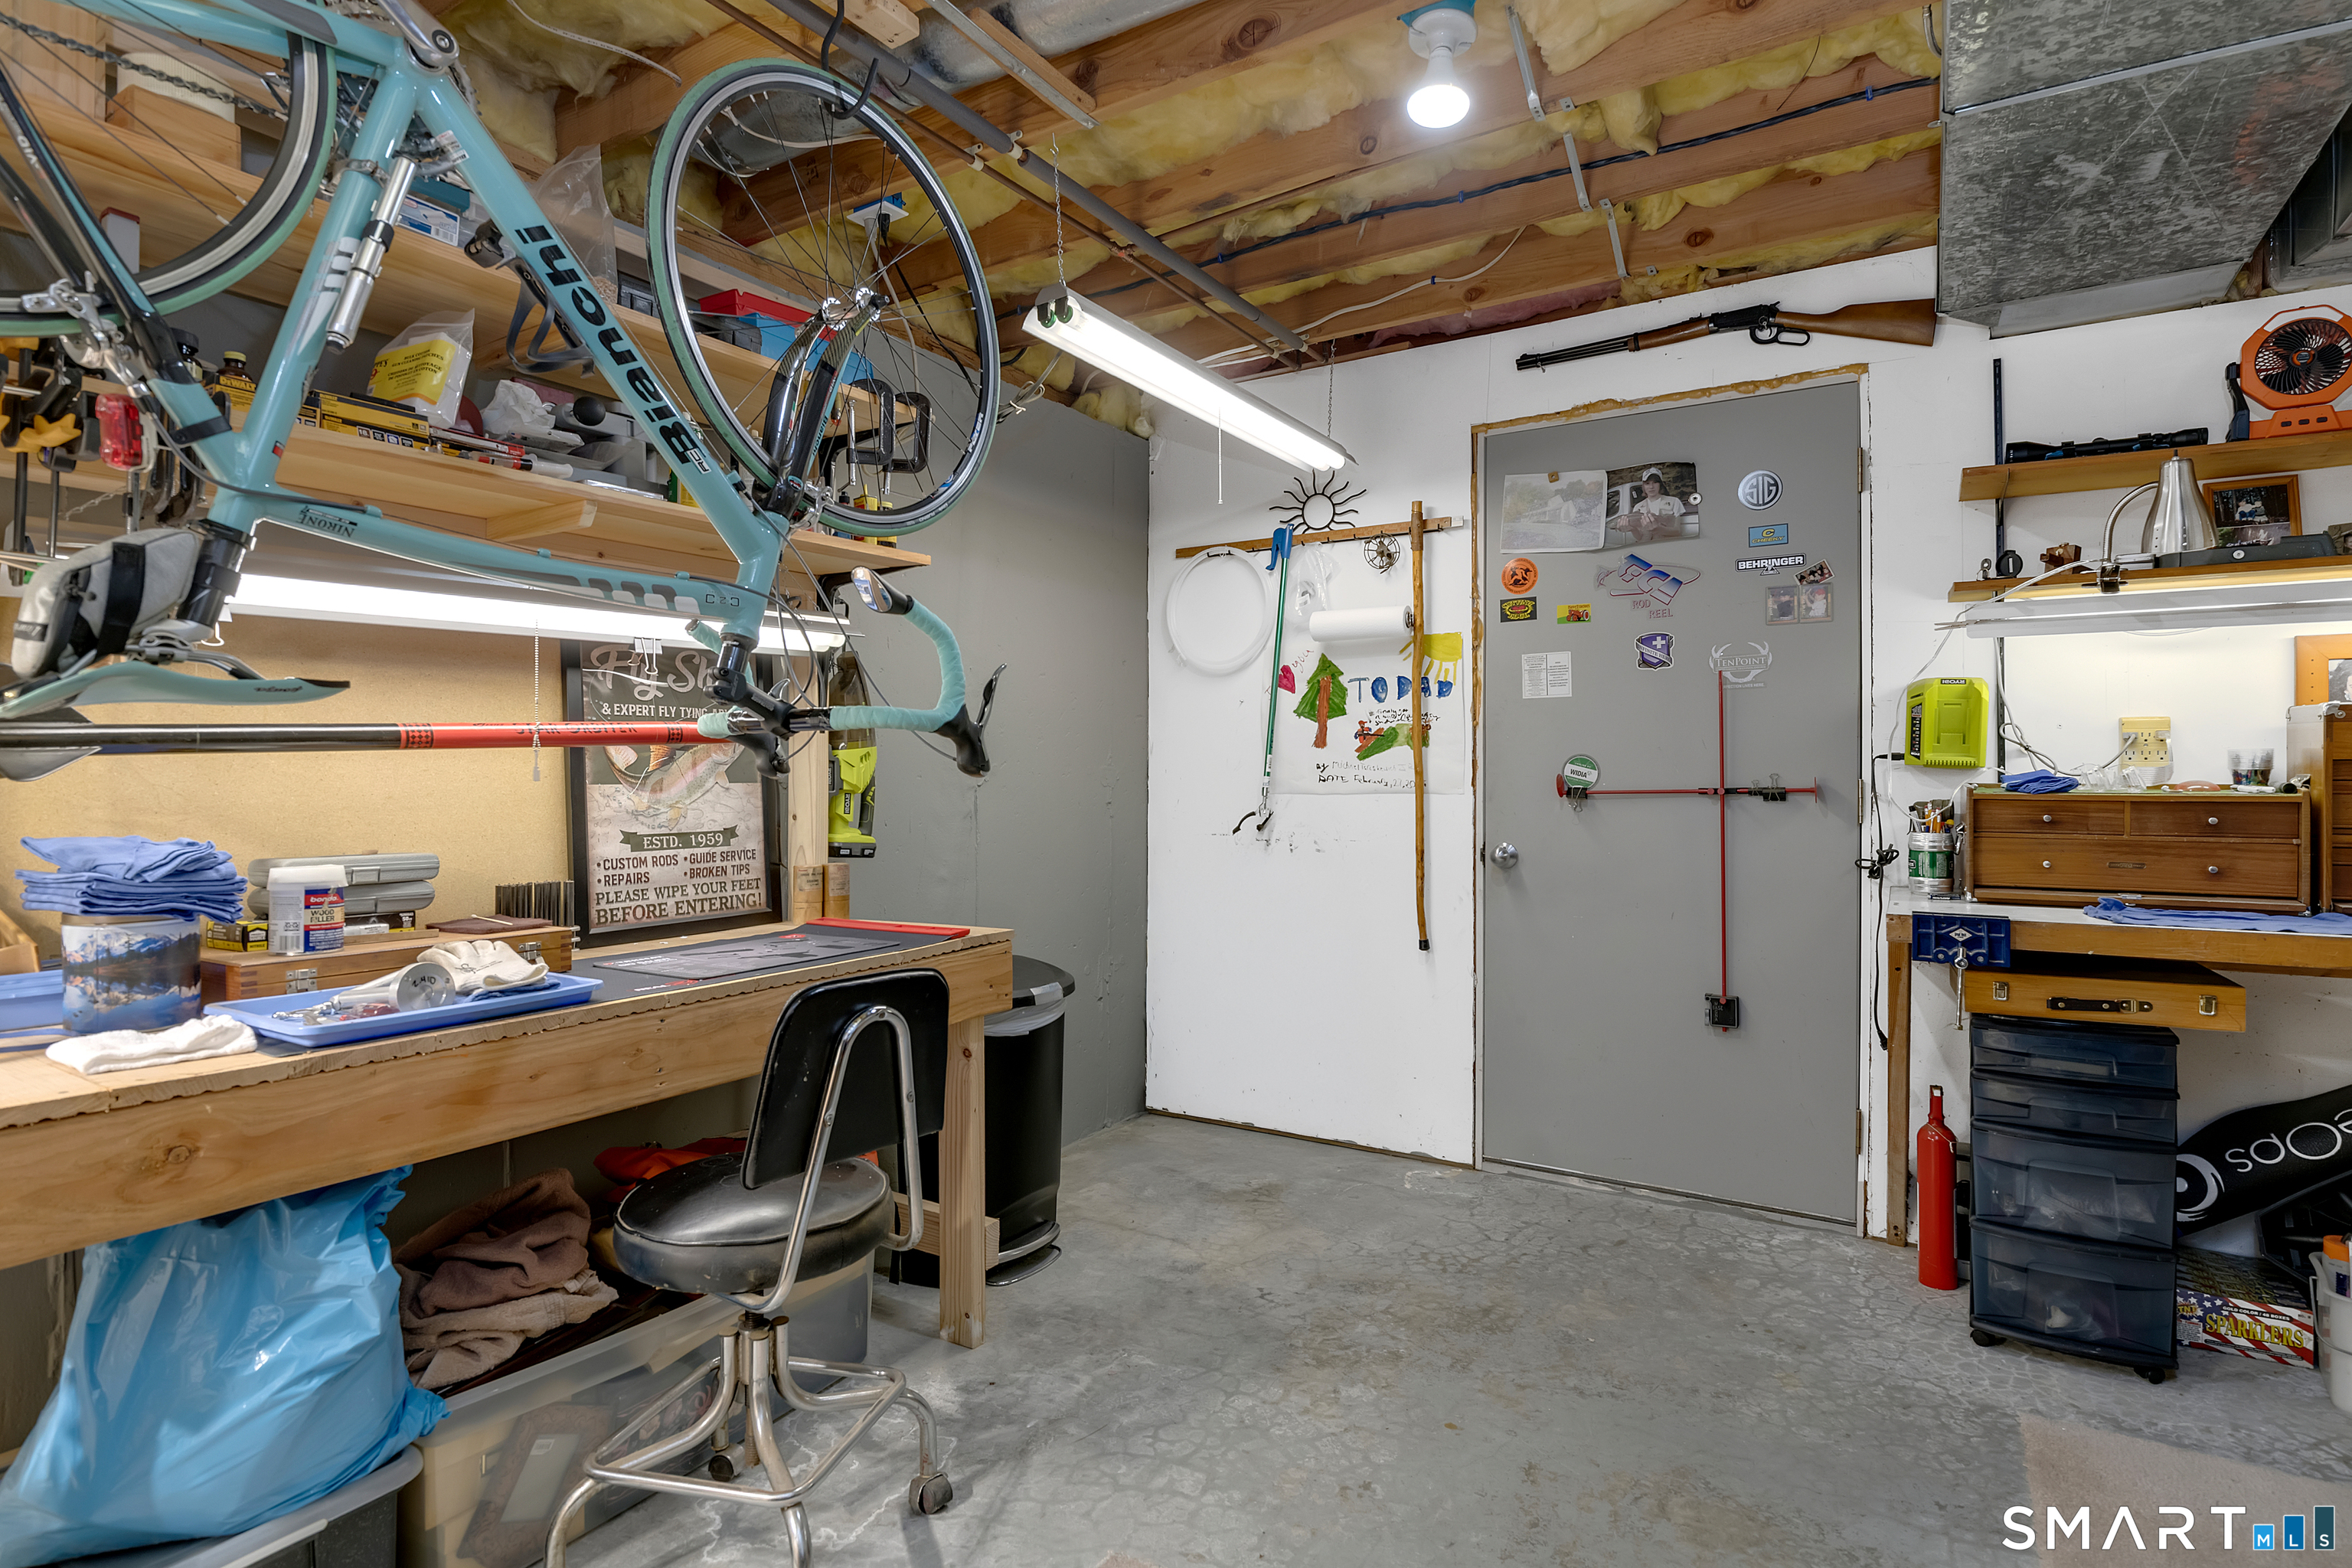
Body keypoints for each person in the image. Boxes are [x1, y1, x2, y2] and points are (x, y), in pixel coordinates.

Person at [1624, 469, 1687, 544]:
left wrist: (1658, 529)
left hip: (1668, 546)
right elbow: (1640, 538)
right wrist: (1632, 529)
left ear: (1660, 484)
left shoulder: (1674, 501)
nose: (1651, 487)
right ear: (1643, 486)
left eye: (1655, 482)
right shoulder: (1638, 507)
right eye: (1647, 483)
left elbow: (1677, 531)